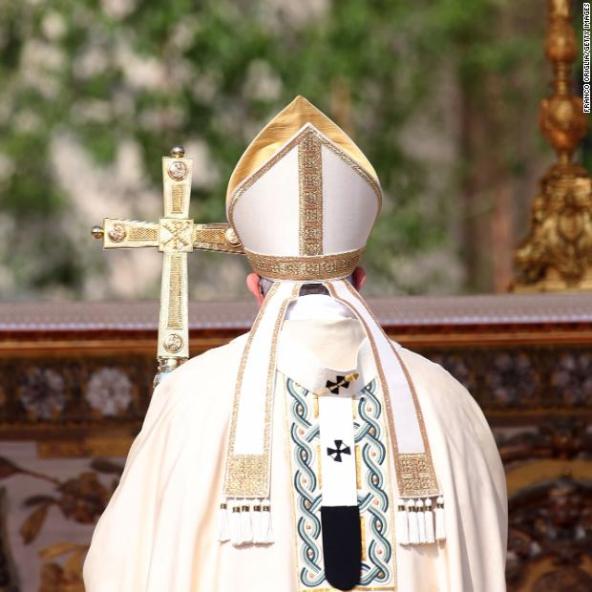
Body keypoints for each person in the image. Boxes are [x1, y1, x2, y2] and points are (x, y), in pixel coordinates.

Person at [83, 96, 507, 591]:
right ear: (360, 281)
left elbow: (117, 569)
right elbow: (486, 552)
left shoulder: (192, 396)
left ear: (255, 288)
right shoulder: (445, 397)